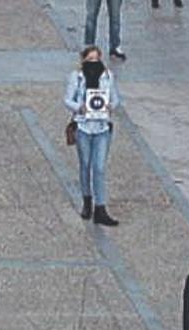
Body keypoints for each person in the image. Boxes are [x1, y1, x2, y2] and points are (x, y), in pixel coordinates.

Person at [64, 46, 121, 226]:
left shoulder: (107, 76)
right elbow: (67, 99)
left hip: (102, 127)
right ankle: (87, 200)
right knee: (85, 165)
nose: (94, 64)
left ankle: (100, 207)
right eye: (90, 60)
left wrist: (111, 106)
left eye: (97, 59)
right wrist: (79, 107)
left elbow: (116, 98)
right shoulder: (77, 77)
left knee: (99, 168)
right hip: (83, 126)